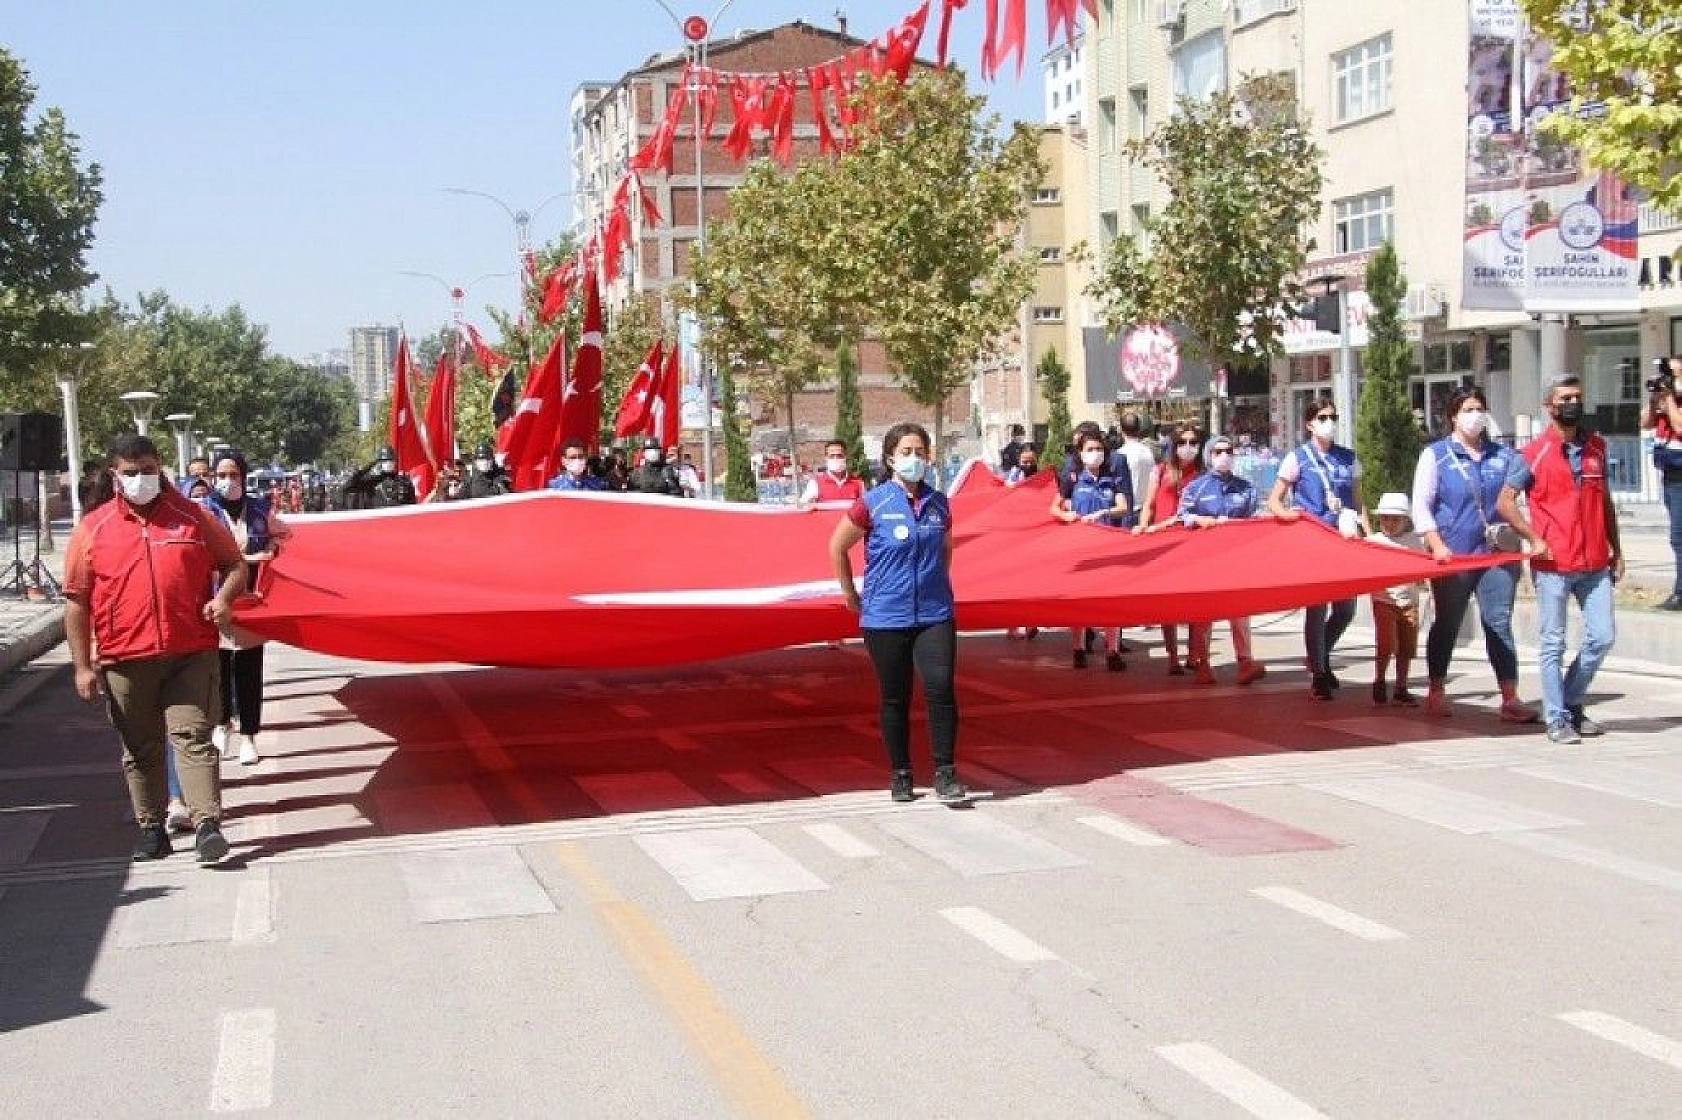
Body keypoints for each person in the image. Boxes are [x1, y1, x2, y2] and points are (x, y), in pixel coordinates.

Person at [62, 434, 247, 863]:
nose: (141, 479)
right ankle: (151, 827)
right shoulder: (93, 529)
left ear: (159, 467)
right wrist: (81, 666)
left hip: (191, 652)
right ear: (115, 475)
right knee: (141, 746)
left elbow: (234, 564)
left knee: (193, 737)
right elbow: (76, 601)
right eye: (131, 472)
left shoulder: (192, 517)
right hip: (125, 658)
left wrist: (223, 599)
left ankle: (207, 825)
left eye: (148, 469)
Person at [829, 422, 965, 804]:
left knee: (940, 687)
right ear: (890, 458)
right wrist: (850, 594)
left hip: (934, 613)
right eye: (906, 452)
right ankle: (901, 772)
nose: (914, 459)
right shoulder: (873, 503)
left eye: (920, 452)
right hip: (885, 616)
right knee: (895, 696)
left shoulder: (939, 503)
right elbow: (837, 547)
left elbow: (946, 549)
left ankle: (945, 773)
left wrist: (936, 582)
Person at [1410, 385, 1546, 721]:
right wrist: (1436, 544)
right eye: (1467, 410)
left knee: (1498, 622)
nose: (1475, 416)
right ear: (1453, 416)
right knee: (1448, 623)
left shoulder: (1503, 456)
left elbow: (1522, 495)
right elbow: (1421, 506)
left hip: (1497, 554)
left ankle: (1510, 697)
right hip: (1454, 555)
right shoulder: (1436, 455)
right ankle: (1436, 690)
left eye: (1479, 409)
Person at [1507, 374, 1623, 744]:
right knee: (1553, 643)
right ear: (1549, 406)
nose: (1573, 404)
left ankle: (1570, 701)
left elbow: (1604, 501)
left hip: (1594, 561)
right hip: (1554, 563)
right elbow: (1505, 502)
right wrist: (1533, 538)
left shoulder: (1596, 448)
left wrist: (1617, 549)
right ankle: (1556, 718)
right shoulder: (1533, 453)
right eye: (1565, 398)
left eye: (1577, 397)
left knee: (1602, 637)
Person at [1267, 396, 1368, 700]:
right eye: (1322, 418)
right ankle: (1320, 674)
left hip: (1343, 539)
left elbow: (1358, 500)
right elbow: (1275, 500)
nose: (1329, 423)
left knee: (1346, 609)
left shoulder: (1348, 458)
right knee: (1317, 607)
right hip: (1313, 541)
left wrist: (1367, 532)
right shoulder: (1297, 458)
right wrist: (1290, 517)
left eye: (1332, 417)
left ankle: (1319, 655)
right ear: (1310, 424)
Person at [197, 448, 290, 768]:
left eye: (234, 474)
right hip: (216, 601)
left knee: (249, 670)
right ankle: (222, 723)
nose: (228, 481)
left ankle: (249, 736)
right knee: (219, 669)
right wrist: (248, 558)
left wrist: (271, 549)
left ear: (244, 476)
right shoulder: (202, 511)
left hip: (251, 602)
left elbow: (284, 535)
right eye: (221, 475)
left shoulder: (260, 509)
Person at [1176, 434, 1267, 686]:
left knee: (1240, 611)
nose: (1224, 456)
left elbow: (1256, 517)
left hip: (1237, 560)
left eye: (1228, 451)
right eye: (1218, 452)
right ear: (1209, 456)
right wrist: (1199, 520)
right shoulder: (1196, 487)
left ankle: (1245, 662)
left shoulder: (1245, 488)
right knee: (1205, 612)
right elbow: (1182, 515)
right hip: (1205, 561)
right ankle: (1202, 663)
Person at [1052, 430, 1132, 671]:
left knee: (1111, 600)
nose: (1095, 453)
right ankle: (1078, 648)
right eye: (1090, 449)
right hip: (1080, 548)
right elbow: (1054, 508)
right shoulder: (1073, 479)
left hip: (1108, 547)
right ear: (1081, 453)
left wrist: (1104, 512)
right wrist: (1066, 515)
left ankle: (1112, 650)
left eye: (1099, 449)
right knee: (1079, 600)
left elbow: (1123, 507)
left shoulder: (1111, 478)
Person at [1136, 423, 1204, 674]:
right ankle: (1173, 656)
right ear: (1173, 446)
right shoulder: (1161, 470)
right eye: (1183, 442)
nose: (1188, 447)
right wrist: (1143, 527)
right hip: (1163, 542)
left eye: (1193, 443)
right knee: (1168, 603)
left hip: (1194, 543)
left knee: (1196, 602)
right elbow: (1149, 504)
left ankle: (1194, 654)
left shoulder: (1203, 474)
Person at [1367, 492, 1427, 706]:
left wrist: (1423, 579)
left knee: (1407, 647)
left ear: (1405, 520)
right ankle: (1380, 679)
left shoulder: (1415, 542)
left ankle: (1401, 686)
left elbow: (1423, 567)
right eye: (1385, 518)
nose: (1390, 524)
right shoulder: (1373, 542)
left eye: (1396, 519)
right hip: (1384, 599)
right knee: (1386, 644)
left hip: (1409, 600)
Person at [1644, 355, 1682, 611]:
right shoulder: (1667, 399)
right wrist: (1654, 400)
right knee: (1677, 537)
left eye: (1674, 376)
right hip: (1670, 473)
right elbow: (1645, 422)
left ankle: (1680, 593)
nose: (1669, 380)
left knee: (1679, 537)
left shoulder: (1675, 402)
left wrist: (1669, 400)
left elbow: (1679, 427)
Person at [338, 445, 417, 509]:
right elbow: (348, 486)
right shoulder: (371, 481)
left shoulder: (403, 480)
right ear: (379, 463)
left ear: (395, 462)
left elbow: (412, 504)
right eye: (385, 461)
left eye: (391, 460)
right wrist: (370, 465)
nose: (388, 463)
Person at [1117, 412, 1158, 522]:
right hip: (1147, 510)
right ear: (1139, 429)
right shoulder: (1148, 452)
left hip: (1128, 511)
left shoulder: (1119, 454)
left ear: (1121, 430)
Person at [799, 440, 865, 508]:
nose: (835, 459)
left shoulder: (858, 483)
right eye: (832, 456)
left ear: (846, 457)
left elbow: (865, 507)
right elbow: (802, 506)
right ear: (826, 458)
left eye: (839, 456)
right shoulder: (815, 483)